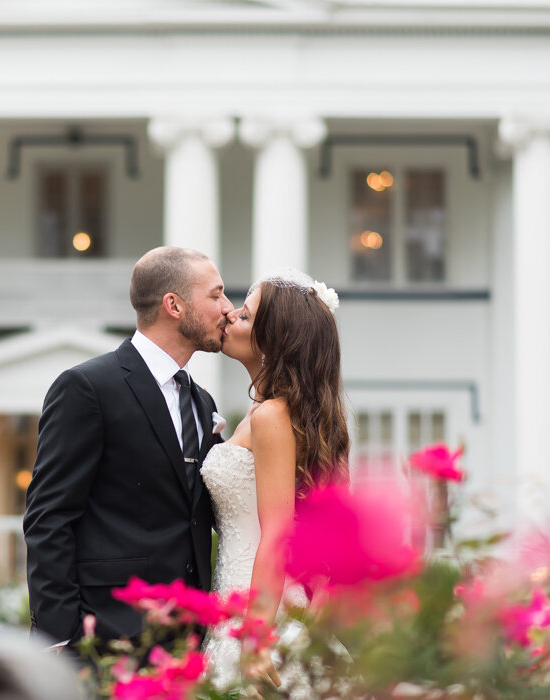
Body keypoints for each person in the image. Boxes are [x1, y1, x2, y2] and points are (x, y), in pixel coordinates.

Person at [24, 246, 233, 650]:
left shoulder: (200, 401)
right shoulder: (87, 388)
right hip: (106, 635)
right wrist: (60, 638)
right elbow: (49, 517)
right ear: (174, 305)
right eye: (215, 294)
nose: (227, 308)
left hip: (189, 640)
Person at [201, 269, 350, 695]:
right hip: (242, 594)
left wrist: (257, 637)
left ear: (273, 343)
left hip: (258, 605)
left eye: (244, 317)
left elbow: (280, 533)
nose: (229, 318)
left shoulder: (270, 416)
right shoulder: (273, 413)